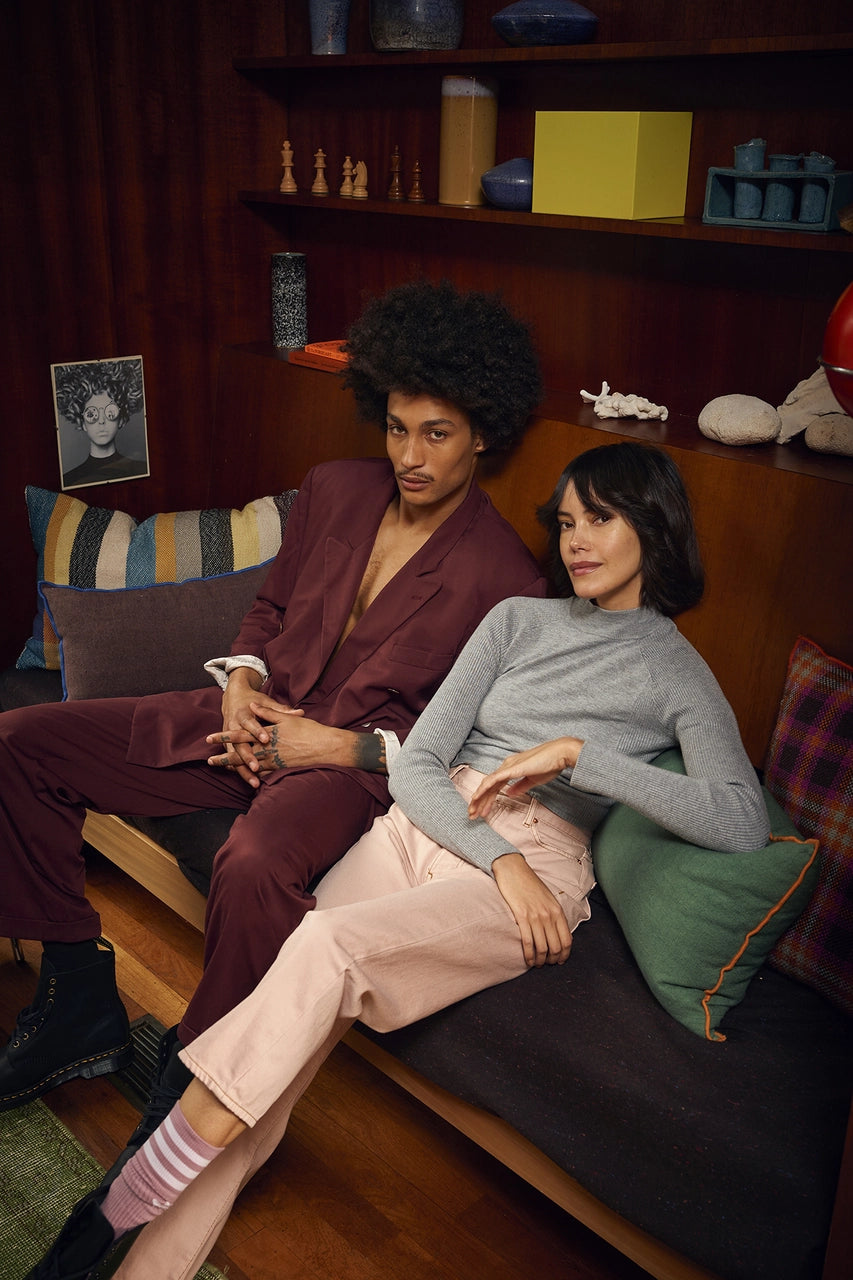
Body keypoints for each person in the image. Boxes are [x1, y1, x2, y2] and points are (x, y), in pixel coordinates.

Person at [25, 440, 770, 1280]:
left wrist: (576, 759)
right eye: (566, 521)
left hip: (540, 855)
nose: (575, 541)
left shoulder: (677, 671)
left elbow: (740, 822)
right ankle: (124, 1265)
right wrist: (491, 854)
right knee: (283, 1031)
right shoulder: (518, 620)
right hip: (431, 819)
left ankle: (120, 1199)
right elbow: (417, 762)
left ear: (655, 526)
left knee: (320, 948)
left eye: (599, 519)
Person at [0, 280, 547, 1120]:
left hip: (346, 774)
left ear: (483, 436)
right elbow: (267, 609)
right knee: (22, 742)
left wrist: (334, 749)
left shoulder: (506, 580)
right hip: (242, 723)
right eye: (398, 428)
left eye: (437, 434)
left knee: (251, 864)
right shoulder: (335, 487)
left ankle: (201, 1079)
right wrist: (241, 682)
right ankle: (77, 993)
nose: (412, 456)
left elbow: (470, 745)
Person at [55, 359, 149, 488]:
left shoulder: (141, 470)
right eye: (91, 414)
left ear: (121, 420)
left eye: (110, 412)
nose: (101, 421)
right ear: (82, 423)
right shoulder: (70, 481)